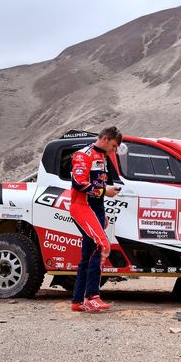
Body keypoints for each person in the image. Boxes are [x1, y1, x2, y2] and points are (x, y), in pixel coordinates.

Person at [69, 126, 123, 312]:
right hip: (83, 207)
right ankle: (92, 296)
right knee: (103, 246)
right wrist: (104, 191)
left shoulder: (104, 157)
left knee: (89, 252)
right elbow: (78, 184)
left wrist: (105, 199)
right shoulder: (83, 155)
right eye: (114, 146)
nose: (114, 150)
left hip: (96, 208)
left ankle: (77, 301)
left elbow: (98, 184)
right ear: (106, 139)